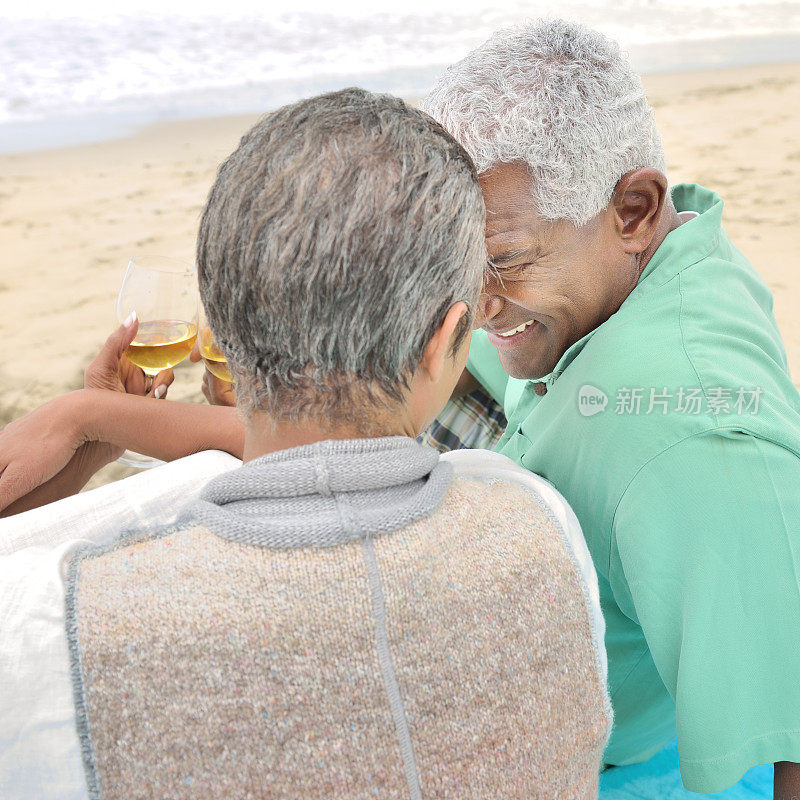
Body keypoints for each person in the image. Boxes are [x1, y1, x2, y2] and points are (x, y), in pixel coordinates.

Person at [4, 18, 798, 796]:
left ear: (632, 209)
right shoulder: (584, 289)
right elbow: (335, 433)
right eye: (457, 269)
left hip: (617, 757)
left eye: (503, 262)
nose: (475, 304)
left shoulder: (694, 447)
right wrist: (91, 418)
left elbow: (784, 729)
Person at [0, 88, 611, 799]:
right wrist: (97, 420)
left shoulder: (54, 620)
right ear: (447, 340)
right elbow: (334, 464)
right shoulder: (536, 524)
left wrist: (95, 428)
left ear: (220, 336)